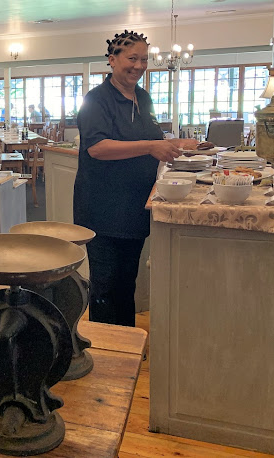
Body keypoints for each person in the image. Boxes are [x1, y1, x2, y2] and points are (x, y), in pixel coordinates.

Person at [73, 30, 197, 327]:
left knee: (128, 281)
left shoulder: (143, 96)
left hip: (135, 206)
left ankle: (125, 343)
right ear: (112, 60)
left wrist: (177, 143)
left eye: (143, 59)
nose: (139, 66)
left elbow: (151, 137)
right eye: (132, 59)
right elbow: (98, 148)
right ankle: (105, 350)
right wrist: (152, 146)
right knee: (105, 284)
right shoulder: (96, 99)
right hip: (102, 208)